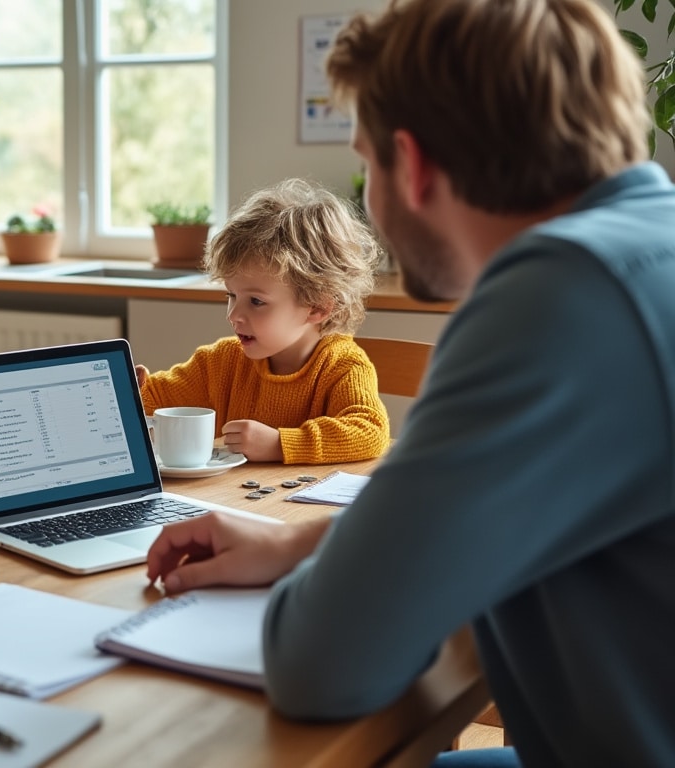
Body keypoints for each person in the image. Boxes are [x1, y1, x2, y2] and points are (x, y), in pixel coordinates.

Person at [145, 1, 675, 766]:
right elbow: (481, 523)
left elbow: (320, 665)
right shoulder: (647, 249)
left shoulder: (558, 298)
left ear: (413, 162)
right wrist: (299, 543)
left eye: (365, 162)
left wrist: (322, 577)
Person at [137, 178, 389, 464]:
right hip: (233, 502)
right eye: (231, 295)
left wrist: (279, 444)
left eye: (256, 301)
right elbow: (155, 400)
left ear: (317, 307)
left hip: (291, 508)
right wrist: (129, 393)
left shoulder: (342, 366)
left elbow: (370, 431)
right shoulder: (221, 363)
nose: (233, 315)